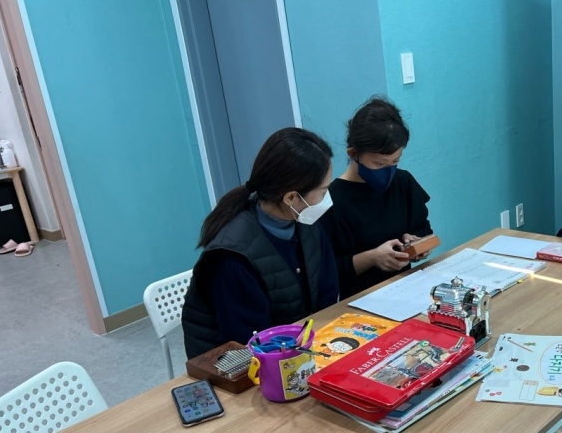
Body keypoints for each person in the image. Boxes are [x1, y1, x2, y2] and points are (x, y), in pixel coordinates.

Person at [182, 128, 339, 358]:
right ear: (291, 197)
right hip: (243, 364)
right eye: (323, 190)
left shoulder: (303, 219)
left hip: (299, 347)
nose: (326, 197)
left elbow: (327, 292)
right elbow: (250, 343)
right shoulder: (232, 258)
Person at [320, 97, 433, 299]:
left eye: (395, 161)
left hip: (408, 291)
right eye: (379, 163)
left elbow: (423, 228)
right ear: (353, 153)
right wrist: (372, 258)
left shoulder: (403, 182)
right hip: (359, 302)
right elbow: (326, 270)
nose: (388, 170)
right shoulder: (331, 201)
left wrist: (418, 243)